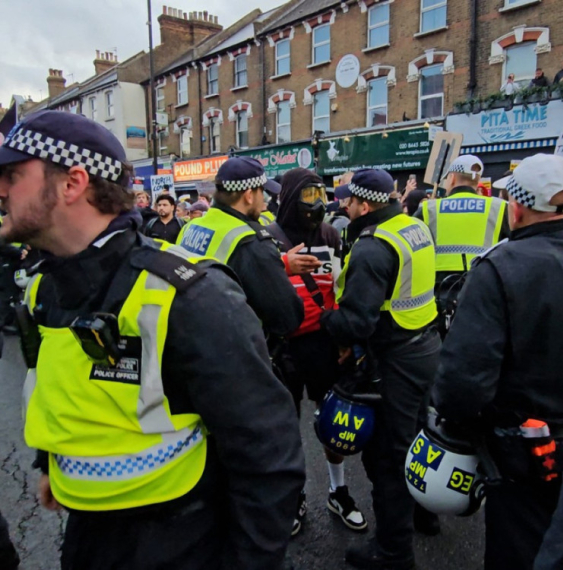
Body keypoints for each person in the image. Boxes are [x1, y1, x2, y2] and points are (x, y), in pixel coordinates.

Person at [0, 110, 305, 570]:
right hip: (87, 531)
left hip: (175, 542)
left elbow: (269, 455)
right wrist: (55, 464)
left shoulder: (190, 295)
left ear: (72, 183)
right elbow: (61, 391)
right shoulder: (45, 285)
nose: (1, 190)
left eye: (11, 175)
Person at [433, 154, 563, 570]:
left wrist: (454, 421)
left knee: (520, 547)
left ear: (518, 207)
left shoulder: (501, 267)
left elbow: (463, 381)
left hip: (526, 449)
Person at [320, 169, 441, 570]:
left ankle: (393, 552)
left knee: (389, 459)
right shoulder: (412, 225)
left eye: (349, 202)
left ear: (365, 205)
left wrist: (323, 320)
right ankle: (425, 515)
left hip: (394, 361)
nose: (344, 206)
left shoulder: (373, 248)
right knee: (418, 438)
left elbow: (357, 322)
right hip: (425, 347)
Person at [268, 168, 366, 537]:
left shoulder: (331, 235)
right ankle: (294, 496)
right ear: (291, 196)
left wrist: (345, 338)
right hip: (284, 347)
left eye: (320, 193)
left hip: (324, 343)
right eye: (308, 194)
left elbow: (341, 290)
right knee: (286, 428)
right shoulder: (268, 238)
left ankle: (338, 490)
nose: (317, 202)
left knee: (335, 423)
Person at [177, 156, 303, 338]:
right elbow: (287, 316)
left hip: (189, 339)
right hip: (231, 349)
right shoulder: (250, 241)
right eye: (263, 193)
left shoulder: (190, 227)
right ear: (249, 195)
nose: (264, 201)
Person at [416, 154, 509, 283]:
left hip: (439, 286)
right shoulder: (499, 207)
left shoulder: (429, 209)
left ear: (452, 178)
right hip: (485, 282)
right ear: (478, 181)